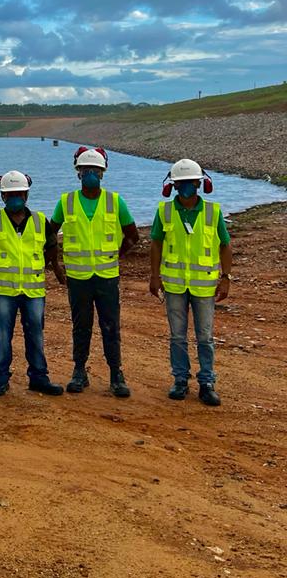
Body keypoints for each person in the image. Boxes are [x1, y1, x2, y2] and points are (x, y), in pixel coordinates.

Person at [53, 146, 139, 398]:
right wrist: (56, 266)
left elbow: (132, 235)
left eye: (95, 170)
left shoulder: (115, 201)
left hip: (106, 278)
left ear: (103, 173)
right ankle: (79, 372)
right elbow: (49, 234)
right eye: (86, 170)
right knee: (81, 326)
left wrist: (115, 256)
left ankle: (116, 374)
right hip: (78, 279)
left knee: (110, 326)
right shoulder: (66, 202)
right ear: (78, 173)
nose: (90, 174)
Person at [149, 159, 232, 406]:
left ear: (200, 183)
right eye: (182, 183)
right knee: (177, 336)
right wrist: (154, 276)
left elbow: (225, 245)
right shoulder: (164, 211)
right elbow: (156, 244)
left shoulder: (212, 211)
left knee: (205, 337)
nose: (187, 187)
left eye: (191, 183)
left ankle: (206, 382)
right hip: (174, 285)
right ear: (173, 186)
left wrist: (225, 278)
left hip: (204, 286)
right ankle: (180, 380)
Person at [0, 171, 65, 396]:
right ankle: (1, 378)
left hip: (33, 290)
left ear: (26, 194)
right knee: (2, 334)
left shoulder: (40, 221)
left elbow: (52, 246)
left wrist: (47, 264)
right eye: (10, 194)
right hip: (3, 290)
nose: (15, 197)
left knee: (35, 333)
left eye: (19, 193)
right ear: (3, 197)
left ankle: (39, 377)